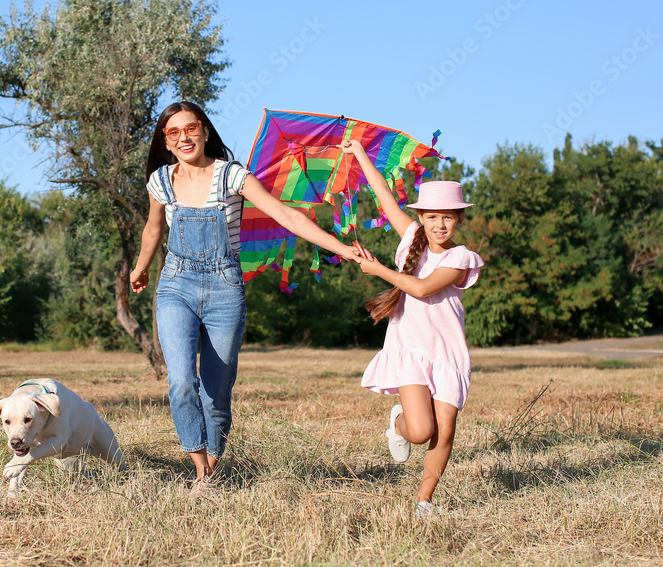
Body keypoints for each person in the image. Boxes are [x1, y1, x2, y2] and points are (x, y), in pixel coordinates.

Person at [131, 102, 363, 485]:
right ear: (166, 142)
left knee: (217, 390)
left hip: (225, 288)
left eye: (191, 129)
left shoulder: (232, 176)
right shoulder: (160, 182)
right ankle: (200, 470)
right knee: (181, 381)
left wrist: (341, 248)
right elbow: (153, 229)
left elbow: (286, 215)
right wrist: (141, 268)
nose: (184, 137)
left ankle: (214, 467)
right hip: (176, 285)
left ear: (205, 132)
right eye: (174, 133)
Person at [340, 138, 484, 518]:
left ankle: (424, 502)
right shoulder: (410, 241)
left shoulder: (461, 257)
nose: (440, 224)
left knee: (444, 433)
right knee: (421, 432)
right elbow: (385, 196)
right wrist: (359, 156)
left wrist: (379, 270)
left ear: (459, 219)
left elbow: (420, 288)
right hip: (411, 350)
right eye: (432, 216)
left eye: (448, 216)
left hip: (447, 353)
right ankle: (398, 422)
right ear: (421, 217)